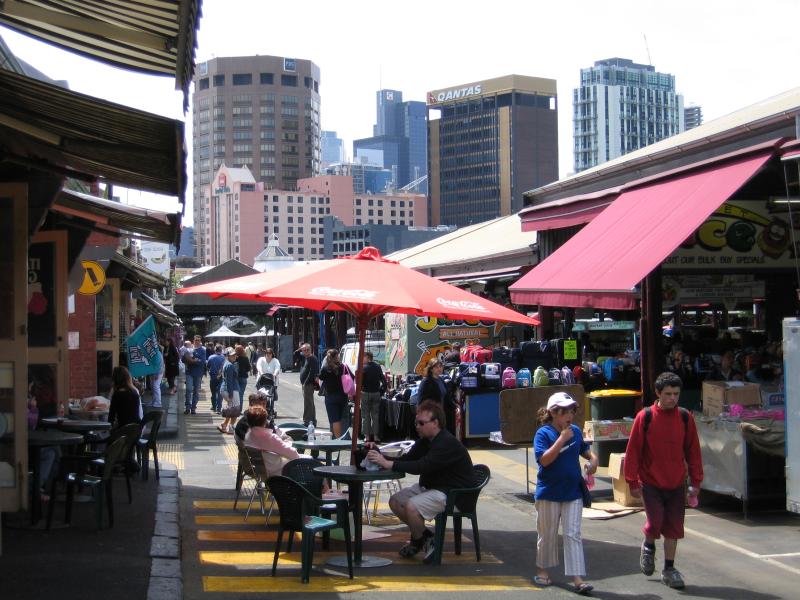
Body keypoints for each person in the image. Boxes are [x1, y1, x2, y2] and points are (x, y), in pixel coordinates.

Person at [367, 399, 473, 563]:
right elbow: (406, 460)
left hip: (454, 494)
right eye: (416, 422)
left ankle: (420, 540)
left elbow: (423, 466)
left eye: (421, 423)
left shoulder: (446, 443)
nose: (417, 426)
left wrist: (387, 463)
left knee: (412, 506)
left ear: (435, 423)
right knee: (396, 501)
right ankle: (425, 538)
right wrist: (378, 455)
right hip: (433, 488)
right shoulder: (425, 441)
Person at [624, 372, 703, 590]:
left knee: (674, 529)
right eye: (668, 394)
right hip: (651, 484)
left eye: (676, 394)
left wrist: (695, 482)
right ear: (658, 393)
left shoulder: (685, 418)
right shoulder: (645, 417)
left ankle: (669, 568)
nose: (672, 398)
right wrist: (632, 482)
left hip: (677, 484)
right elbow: (633, 452)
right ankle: (648, 545)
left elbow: (693, 452)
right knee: (655, 523)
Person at [533, 392, 597, 595]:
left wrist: (593, 460)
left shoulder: (575, 431)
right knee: (547, 534)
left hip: (573, 492)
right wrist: (561, 439)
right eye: (564, 411)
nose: (569, 415)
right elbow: (544, 460)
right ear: (553, 413)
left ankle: (578, 578)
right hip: (548, 492)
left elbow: (586, 450)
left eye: (571, 411)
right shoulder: (543, 434)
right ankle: (543, 570)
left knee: (573, 534)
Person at [244, 405, 303, 478]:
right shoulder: (270, 438)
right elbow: (294, 454)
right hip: (278, 471)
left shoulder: (248, 435)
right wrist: (289, 443)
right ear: (265, 422)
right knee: (307, 461)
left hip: (260, 471)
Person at [318, 348, 349, 438]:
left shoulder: (325, 368)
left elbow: (320, 378)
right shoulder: (343, 367)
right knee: (343, 418)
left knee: (335, 420)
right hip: (343, 396)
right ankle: (344, 437)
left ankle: (337, 439)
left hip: (330, 396)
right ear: (337, 356)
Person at [360, 350, 385, 441]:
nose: (362, 359)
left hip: (365, 393)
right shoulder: (378, 367)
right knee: (375, 415)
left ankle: (367, 437)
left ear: (367, 357)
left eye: (363, 357)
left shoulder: (363, 368)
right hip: (376, 393)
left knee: (365, 415)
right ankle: (375, 436)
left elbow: (360, 382)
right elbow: (383, 380)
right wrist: (381, 391)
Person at [217, 347, 241, 434]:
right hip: (231, 389)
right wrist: (231, 393)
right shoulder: (230, 365)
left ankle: (224, 425)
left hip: (225, 388)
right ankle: (231, 428)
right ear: (227, 356)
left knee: (232, 409)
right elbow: (229, 381)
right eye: (232, 355)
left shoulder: (226, 363)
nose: (234, 357)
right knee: (235, 409)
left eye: (235, 355)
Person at [184, 335, 207, 415]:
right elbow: (183, 359)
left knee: (196, 391)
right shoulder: (189, 348)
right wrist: (194, 359)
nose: (197, 341)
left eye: (198, 340)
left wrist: (192, 360)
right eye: (196, 340)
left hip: (198, 373)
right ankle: (187, 407)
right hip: (189, 372)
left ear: (200, 341)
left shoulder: (203, 350)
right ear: (193, 340)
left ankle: (193, 408)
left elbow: (202, 362)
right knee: (188, 389)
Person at [298, 343, 319, 427]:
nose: (306, 351)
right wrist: (300, 349)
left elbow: (312, 372)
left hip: (308, 384)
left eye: (308, 350)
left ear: (311, 350)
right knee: (309, 403)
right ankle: (311, 421)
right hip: (305, 384)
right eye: (304, 350)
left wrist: (306, 382)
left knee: (308, 403)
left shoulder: (312, 358)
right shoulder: (305, 358)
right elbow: (295, 354)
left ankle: (308, 421)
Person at [206, 344, 226, 414]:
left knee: (213, 392)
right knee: (220, 393)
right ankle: (218, 408)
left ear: (215, 350)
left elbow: (208, 367)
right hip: (221, 377)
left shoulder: (211, 357)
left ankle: (214, 406)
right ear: (221, 350)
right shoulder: (224, 357)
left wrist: (209, 372)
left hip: (213, 376)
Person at [149, 343, 165, 408]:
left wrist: (156, 374)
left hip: (157, 373)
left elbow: (158, 365)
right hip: (155, 372)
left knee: (155, 386)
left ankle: (158, 402)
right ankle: (154, 401)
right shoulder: (156, 353)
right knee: (153, 386)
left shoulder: (157, 354)